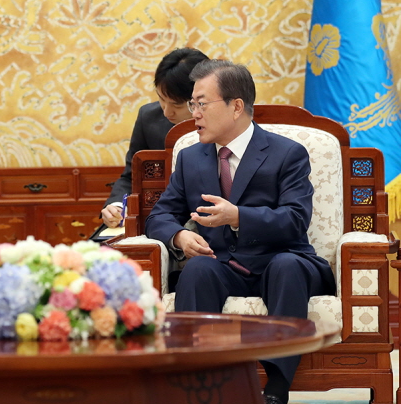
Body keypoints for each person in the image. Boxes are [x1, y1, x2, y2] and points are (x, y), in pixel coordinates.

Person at [144, 60, 336, 404]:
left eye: (202, 103)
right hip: (223, 266)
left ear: (235, 107)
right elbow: (159, 216)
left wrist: (237, 216)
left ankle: (276, 387)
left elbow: (295, 219)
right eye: (192, 104)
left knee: (286, 268)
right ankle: (198, 382)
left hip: (282, 260)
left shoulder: (287, 153)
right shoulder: (190, 158)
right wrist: (179, 237)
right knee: (199, 270)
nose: (194, 113)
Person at [100, 47, 209, 229]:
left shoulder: (225, 123)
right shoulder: (149, 118)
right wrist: (116, 205)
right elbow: (131, 177)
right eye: (161, 98)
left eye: (176, 104)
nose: (167, 111)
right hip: (159, 220)